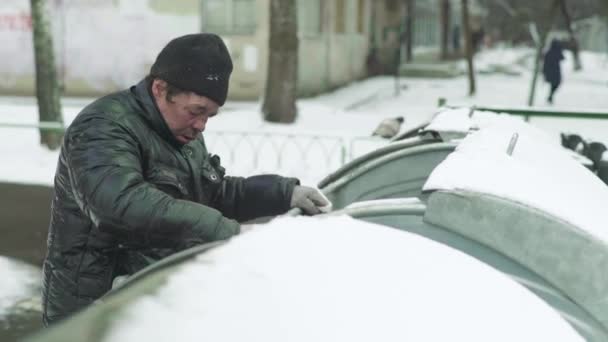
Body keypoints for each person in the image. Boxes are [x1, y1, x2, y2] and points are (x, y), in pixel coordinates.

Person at [42, 33, 329, 325]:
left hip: (151, 298)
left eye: (210, 116)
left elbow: (212, 194)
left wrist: (281, 194)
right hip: (93, 311)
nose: (201, 125)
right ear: (159, 89)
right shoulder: (102, 127)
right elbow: (119, 205)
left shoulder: (182, 132)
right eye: (196, 111)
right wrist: (228, 232)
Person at [542, 39, 564, 104]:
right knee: (555, 84)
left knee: (555, 84)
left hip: (553, 71)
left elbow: (562, 58)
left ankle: (550, 96)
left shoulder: (550, 52)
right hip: (554, 71)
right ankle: (550, 96)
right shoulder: (552, 52)